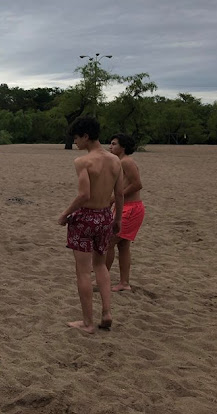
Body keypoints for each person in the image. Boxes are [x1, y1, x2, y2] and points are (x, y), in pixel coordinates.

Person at [58, 116, 123, 334]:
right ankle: (107, 312)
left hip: (85, 218)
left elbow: (84, 195)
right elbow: (120, 194)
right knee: (101, 265)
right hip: (105, 215)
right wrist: (117, 219)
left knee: (83, 272)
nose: (75, 142)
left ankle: (87, 322)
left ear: (85, 136)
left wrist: (65, 214)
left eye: (76, 138)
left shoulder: (83, 162)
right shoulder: (115, 160)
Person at [106, 133, 145, 292]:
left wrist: (116, 197)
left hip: (131, 208)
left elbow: (137, 184)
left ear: (123, 147)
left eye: (114, 144)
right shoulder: (119, 162)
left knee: (108, 242)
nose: (110, 146)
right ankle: (124, 282)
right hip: (125, 207)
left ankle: (103, 278)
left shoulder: (126, 162)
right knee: (123, 246)